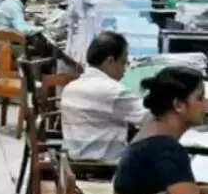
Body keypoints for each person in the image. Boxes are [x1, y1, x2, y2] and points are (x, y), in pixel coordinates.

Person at [60, 31, 149, 161]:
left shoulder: (70, 88)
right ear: (110, 61)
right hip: (106, 164)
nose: (125, 69)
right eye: (123, 62)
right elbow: (149, 116)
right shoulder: (113, 91)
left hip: (74, 162)